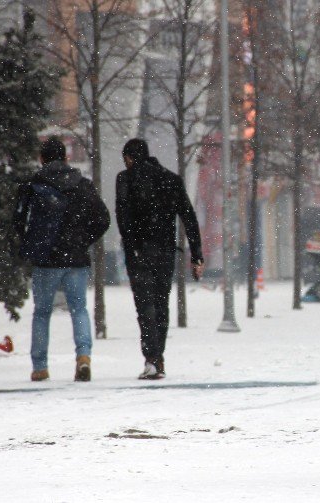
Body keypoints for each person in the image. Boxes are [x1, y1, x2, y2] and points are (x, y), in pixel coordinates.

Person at [13, 136, 110, 382]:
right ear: (66, 157)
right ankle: (84, 357)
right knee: (79, 309)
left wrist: (31, 244)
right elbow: (102, 218)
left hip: (46, 259)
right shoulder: (82, 184)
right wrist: (82, 240)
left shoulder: (34, 184)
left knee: (42, 313)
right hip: (76, 259)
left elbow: (18, 220)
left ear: (42, 158)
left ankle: (40, 366)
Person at [116, 139, 205, 380]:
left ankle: (151, 358)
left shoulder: (125, 180)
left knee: (145, 308)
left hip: (139, 254)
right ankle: (158, 357)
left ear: (130, 158)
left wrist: (131, 247)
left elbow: (122, 217)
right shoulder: (171, 179)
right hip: (165, 253)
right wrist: (196, 254)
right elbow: (189, 218)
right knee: (160, 305)